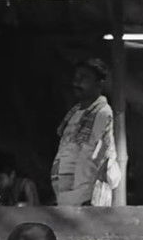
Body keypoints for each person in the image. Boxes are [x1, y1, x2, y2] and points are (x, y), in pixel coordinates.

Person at [51, 58, 122, 206]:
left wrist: (83, 198)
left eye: (84, 78)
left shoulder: (102, 112)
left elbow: (91, 154)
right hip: (66, 191)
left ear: (99, 83)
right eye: (76, 78)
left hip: (83, 195)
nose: (77, 83)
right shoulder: (75, 112)